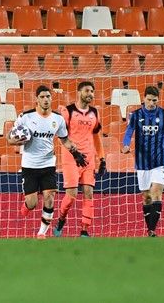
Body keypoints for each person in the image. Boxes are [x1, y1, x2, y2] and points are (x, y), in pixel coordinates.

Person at [10, 85, 87, 237]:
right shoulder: (25, 117)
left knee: (49, 198)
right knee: (32, 203)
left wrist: (75, 153)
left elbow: (64, 140)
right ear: (37, 99)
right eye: (42, 97)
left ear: (51, 98)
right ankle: (27, 205)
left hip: (48, 165)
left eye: (48, 97)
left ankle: (41, 233)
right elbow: (9, 138)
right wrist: (17, 141)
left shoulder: (57, 119)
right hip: (29, 166)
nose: (45, 99)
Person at [122, 85, 164, 237]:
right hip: (142, 162)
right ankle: (150, 229)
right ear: (143, 99)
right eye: (149, 100)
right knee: (146, 197)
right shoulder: (136, 115)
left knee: (156, 193)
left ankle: (152, 230)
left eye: (155, 100)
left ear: (158, 100)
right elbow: (128, 132)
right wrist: (125, 144)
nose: (152, 103)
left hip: (161, 161)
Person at [53, 80, 105, 237]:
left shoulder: (94, 113)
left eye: (92, 92)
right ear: (79, 92)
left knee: (88, 193)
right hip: (71, 158)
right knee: (72, 195)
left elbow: (96, 136)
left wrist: (102, 158)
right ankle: (61, 219)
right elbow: (61, 136)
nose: (90, 94)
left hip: (88, 158)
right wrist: (74, 152)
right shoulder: (68, 111)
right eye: (87, 91)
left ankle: (84, 230)